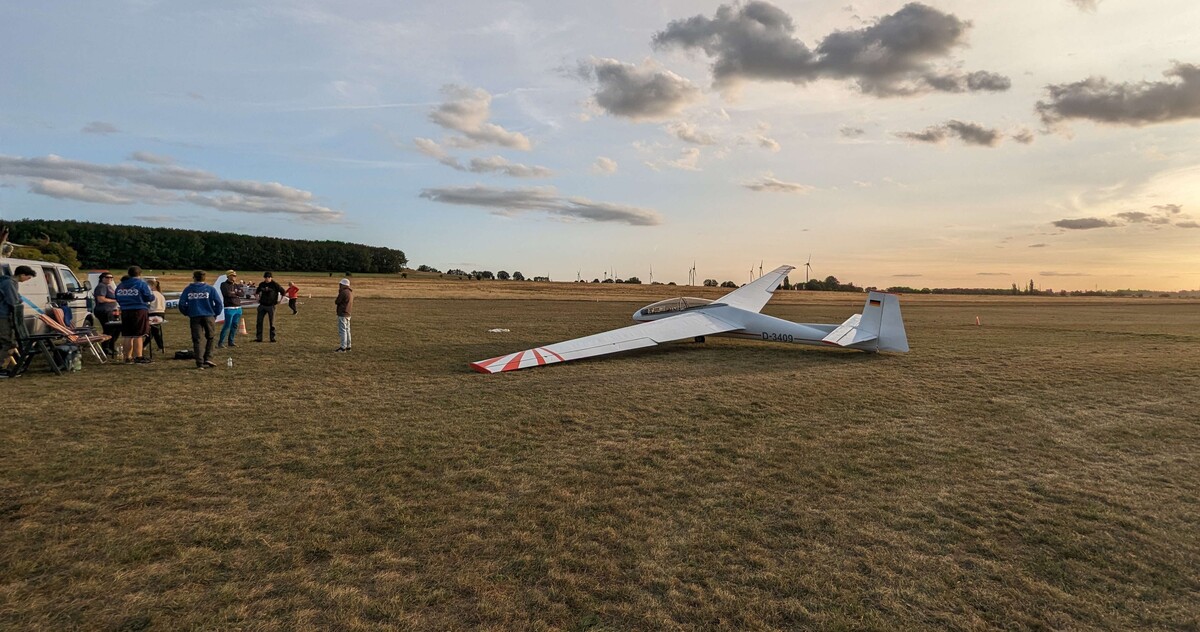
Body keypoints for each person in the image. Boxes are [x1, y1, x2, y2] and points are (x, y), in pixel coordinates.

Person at [177, 270, 223, 369]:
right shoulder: (210, 289)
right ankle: (208, 357)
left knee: (197, 339)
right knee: (210, 337)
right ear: (204, 278)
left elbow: (181, 304)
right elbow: (219, 303)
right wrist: (215, 314)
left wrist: (188, 312)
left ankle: (199, 362)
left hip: (194, 316)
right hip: (208, 315)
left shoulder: (188, 289)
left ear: (194, 277)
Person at [115, 266, 155, 364]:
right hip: (139, 310)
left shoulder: (121, 285)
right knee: (138, 335)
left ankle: (127, 357)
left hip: (125, 311)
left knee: (127, 335)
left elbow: (117, 296)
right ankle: (138, 356)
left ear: (128, 273)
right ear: (140, 274)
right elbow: (149, 297)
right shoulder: (141, 284)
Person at [1, 265, 37, 371]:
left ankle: (8, 365)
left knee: (9, 342)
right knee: (6, 341)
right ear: (22, 275)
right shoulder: (9, 284)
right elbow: (13, 301)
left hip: (6, 315)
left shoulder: (12, 283)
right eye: (28, 277)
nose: (28, 280)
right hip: (2, 316)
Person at [93, 272, 121, 356]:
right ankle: (106, 347)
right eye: (107, 277)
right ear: (102, 278)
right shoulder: (101, 286)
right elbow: (101, 299)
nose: (110, 279)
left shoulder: (108, 286)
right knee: (109, 329)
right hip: (104, 310)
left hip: (111, 310)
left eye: (111, 277)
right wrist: (115, 300)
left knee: (115, 329)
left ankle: (111, 346)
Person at [255, 271, 285, 342]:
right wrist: (257, 299)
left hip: (271, 306)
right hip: (262, 305)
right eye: (266, 277)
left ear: (271, 278)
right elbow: (257, 292)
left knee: (272, 323)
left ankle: (272, 338)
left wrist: (280, 300)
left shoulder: (275, 285)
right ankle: (259, 338)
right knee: (259, 322)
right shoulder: (261, 284)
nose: (267, 279)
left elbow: (283, 292)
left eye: (269, 277)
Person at [218, 270, 242, 348]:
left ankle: (231, 341)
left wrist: (234, 293)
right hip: (229, 308)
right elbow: (227, 294)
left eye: (235, 276)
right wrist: (236, 293)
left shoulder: (237, 285)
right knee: (227, 325)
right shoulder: (224, 284)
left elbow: (242, 293)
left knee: (235, 325)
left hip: (238, 308)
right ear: (228, 276)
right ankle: (221, 342)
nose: (234, 277)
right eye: (232, 276)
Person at [147, 278, 166, 354]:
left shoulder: (151, 294)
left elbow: (148, 305)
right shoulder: (160, 295)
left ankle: (160, 346)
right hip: (161, 313)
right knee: (154, 331)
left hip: (152, 313)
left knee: (153, 332)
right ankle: (160, 346)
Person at [334, 277, 353, 352]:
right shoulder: (350, 292)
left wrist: (339, 292)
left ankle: (343, 347)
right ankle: (348, 345)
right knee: (347, 330)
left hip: (342, 313)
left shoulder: (343, 292)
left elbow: (337, 301)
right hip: (348, 313)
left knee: (342, 330)